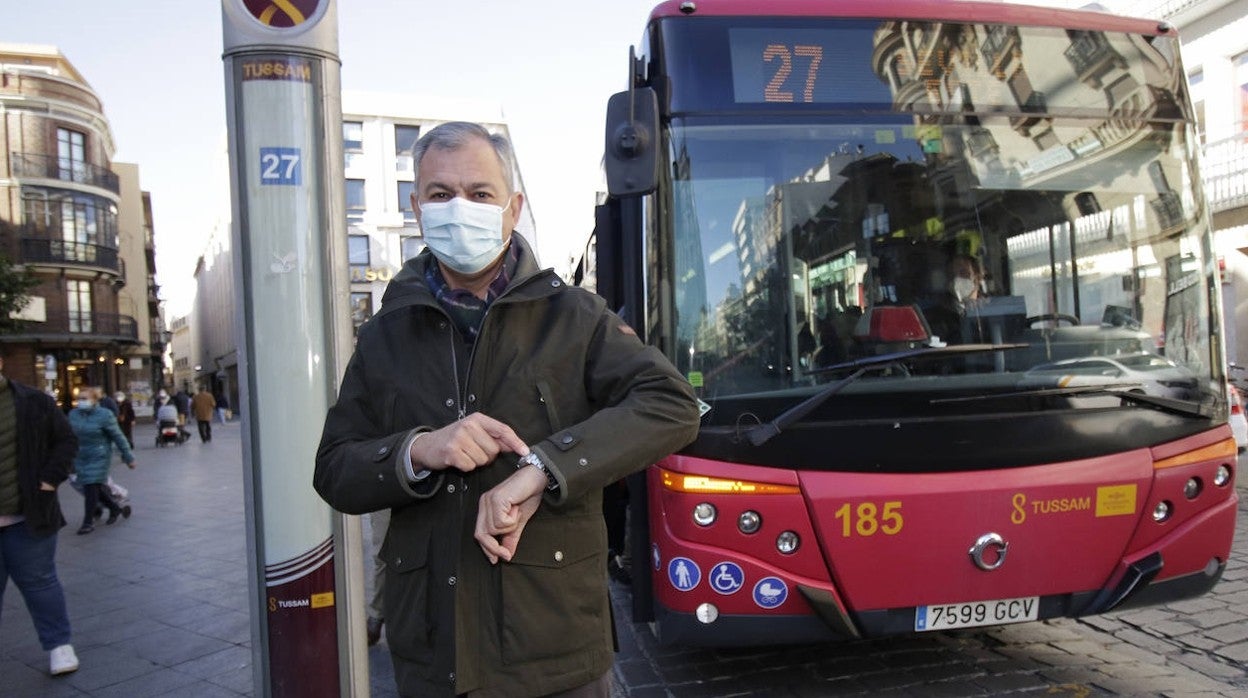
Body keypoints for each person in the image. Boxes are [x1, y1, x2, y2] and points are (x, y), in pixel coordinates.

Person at [314, 121, 700, 698]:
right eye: (441, 195)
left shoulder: (574, 316)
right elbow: (334, 469)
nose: (459, 208)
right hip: (434, 655)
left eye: (480, 193)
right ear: (418, 209)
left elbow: (672, 405)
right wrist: (420, 449)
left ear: (512, 207)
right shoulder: (384, 335)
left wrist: (545, 469)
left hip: (556, 649)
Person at [0, 354, 82, 676]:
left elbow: (65, 441)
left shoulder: (33, 402)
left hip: (28, 515)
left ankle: (59, 646)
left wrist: (49, 480)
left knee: (40, 583)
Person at [68, 388, 135, 534]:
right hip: (80, 456)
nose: (81, 401)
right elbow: (67, 435)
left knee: (91, 486)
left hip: (99, 455)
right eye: (79, 398)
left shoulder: (105, 415)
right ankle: (114, 508)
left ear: (95, 400)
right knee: (93, 487)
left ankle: (87, 522)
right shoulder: (73, 415)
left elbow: (118, 437)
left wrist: (128, 457)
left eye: (85, 398)